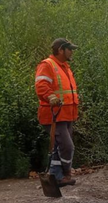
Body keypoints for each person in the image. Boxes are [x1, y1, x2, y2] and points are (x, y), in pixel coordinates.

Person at [34, 38, 80, 186]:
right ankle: (66, 174)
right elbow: (41, 85)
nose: (72, 52)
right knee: (67, 146)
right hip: (54, 115)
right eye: (69, 49)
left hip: (67, 114)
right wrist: (51, 96)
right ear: (60, 50)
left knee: (58, 147)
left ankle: (55, 176)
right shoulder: (47, 65)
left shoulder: (65, 67)